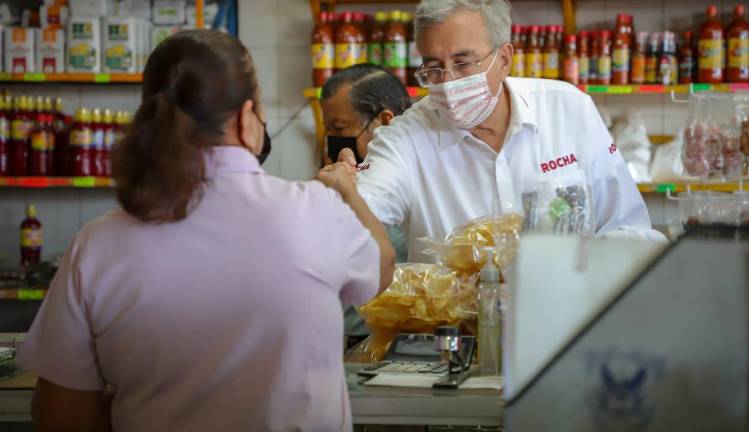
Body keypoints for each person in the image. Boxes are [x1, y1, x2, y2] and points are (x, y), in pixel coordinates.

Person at [17, 30, 394, 432]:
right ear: (246, 120)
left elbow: (60, 417)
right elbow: (381, 268)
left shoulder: (96, 244)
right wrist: (348, 191)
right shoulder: (315, 211)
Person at [329, 0, 666, 263]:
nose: (448, 82)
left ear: (504, 59)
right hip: (455, 339)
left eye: (463, 63)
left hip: (569, 319)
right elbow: (361, 212)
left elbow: (631, 230)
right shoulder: (405, 137)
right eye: (433, 67)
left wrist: (569, 262)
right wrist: (341, 195)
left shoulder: (568, 109)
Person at [320, 64, 411, 346]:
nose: (334, 140)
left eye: (340, 128)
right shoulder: (341, 180)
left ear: (385, 122)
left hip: (399, 341)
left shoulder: (405, 184)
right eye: (329, 130)